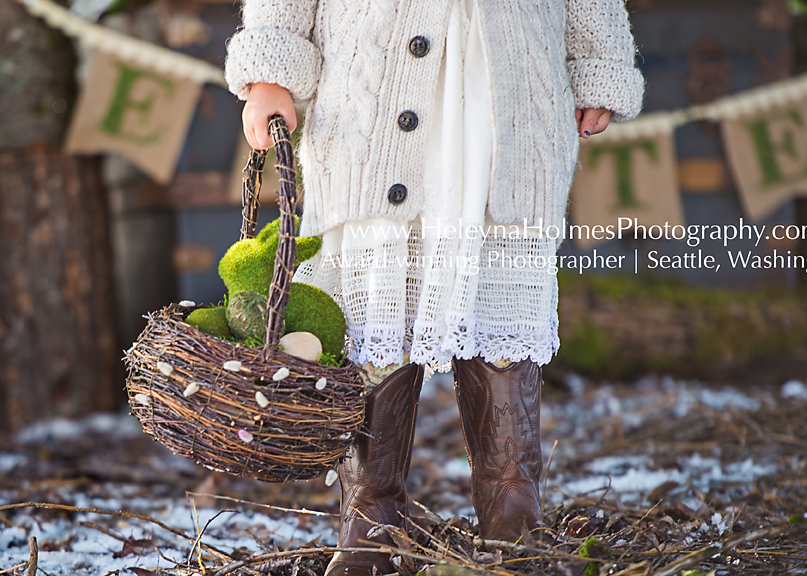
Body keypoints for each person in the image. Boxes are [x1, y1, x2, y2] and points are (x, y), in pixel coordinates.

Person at [225, 1, 644, 574]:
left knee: (500, 300)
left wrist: (599, 59)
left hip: (509, 96)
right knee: (377, 311)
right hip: (368, 103)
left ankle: (512, 522)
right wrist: (271, 70)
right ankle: (371, 525)